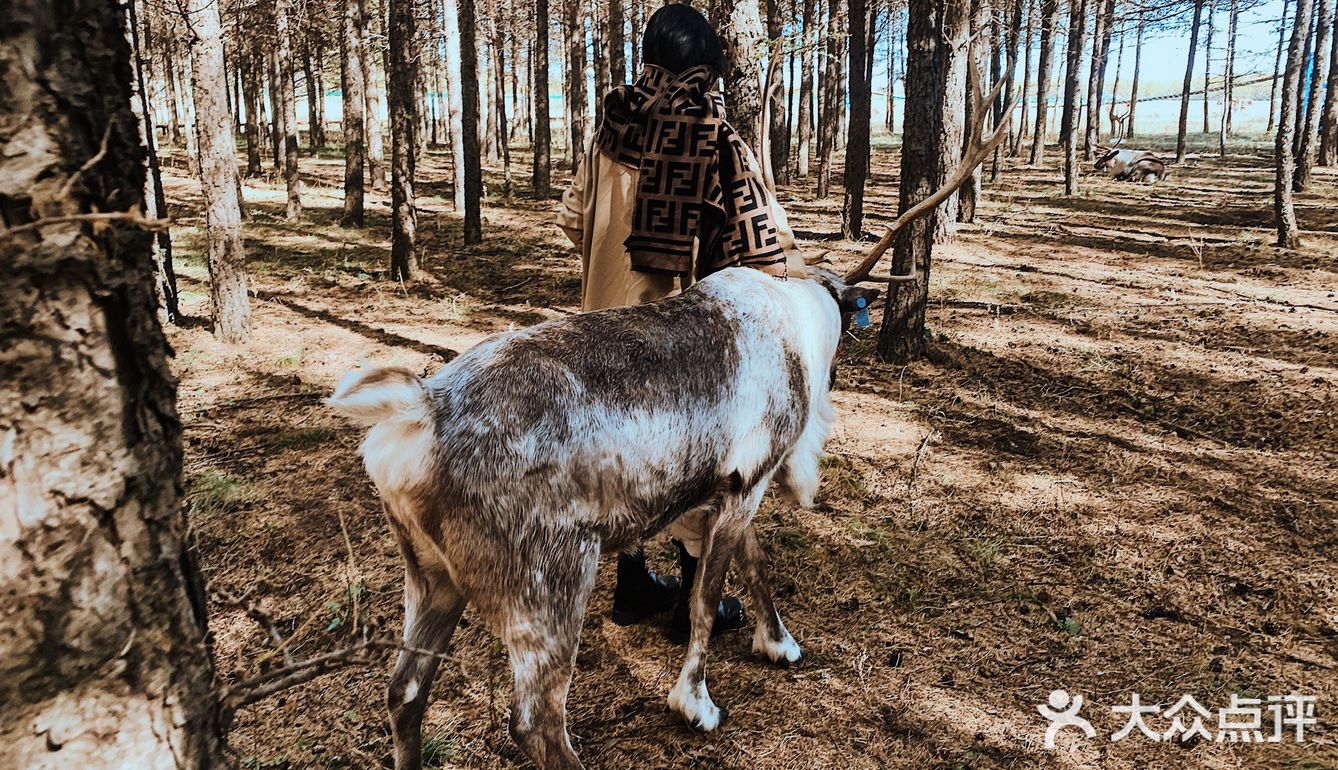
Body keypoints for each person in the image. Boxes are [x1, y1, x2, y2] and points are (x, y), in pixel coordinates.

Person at [556, 4, 806, 641]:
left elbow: (572, 223)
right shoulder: (717, 141)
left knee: (615, 457)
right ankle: (697, 602)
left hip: (598, 338)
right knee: (688, 463)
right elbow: (764, 244)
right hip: (675, 350)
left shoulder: (609, 131)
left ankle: (631, 582)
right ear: (704, 68)